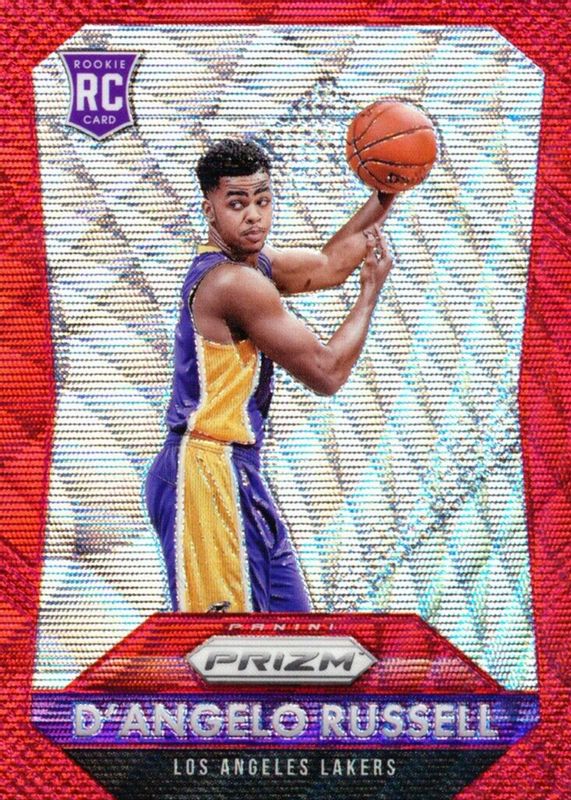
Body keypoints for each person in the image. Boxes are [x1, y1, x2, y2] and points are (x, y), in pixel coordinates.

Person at [146, 138, 394, 614]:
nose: (254, 216)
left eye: (262, 200)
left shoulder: (253, 264)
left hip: (234, 470)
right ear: (209, 210)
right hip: (206, 473)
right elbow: (327, 372)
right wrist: (369, 294)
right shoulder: (234, 283)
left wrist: (387, 191)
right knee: (230, 648)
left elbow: (329, 266)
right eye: (237, 204)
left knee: (294, 637)